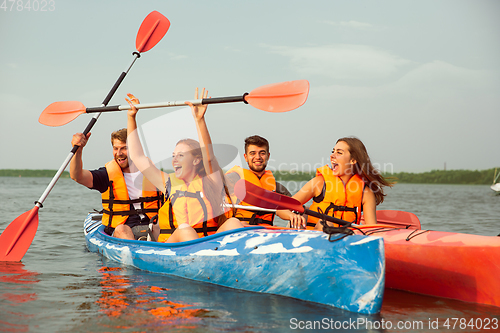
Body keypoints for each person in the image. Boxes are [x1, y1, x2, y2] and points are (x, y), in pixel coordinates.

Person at [126, 88, 244, 243]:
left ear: (196, 160)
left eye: (181, 156)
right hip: (176, 247)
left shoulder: (211, 182)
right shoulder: (168, 183)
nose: (174, 159)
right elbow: (137, 156)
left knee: (234, 222)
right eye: (173, 156)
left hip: (209, 245)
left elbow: (208, 157)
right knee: (185, 229)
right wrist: (131, 117)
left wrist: (199, 120)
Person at [277, 137, 393, 229]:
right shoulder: (319, 183)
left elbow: (371, 229)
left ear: (353, 160)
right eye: (333, 151)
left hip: (344, 243)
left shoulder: (365, 192)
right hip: (312, 240)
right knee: (325, 223)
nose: (332, 155)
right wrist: (292, 215)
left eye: (339, 152)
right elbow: (281, 210)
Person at [70, 129, 163, 240]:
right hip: (122, 230)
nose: (119, 153)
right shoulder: (106, 175)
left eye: (124, 148)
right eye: (115, 148)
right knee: (122, 230)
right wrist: (78, 150)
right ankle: (134, 253)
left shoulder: (153, 174)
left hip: (152, 227)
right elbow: (77, 176)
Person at [225, 135, 292, 226]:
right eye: (252, 153)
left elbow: (295, 206)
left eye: (262, 153)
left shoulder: (277, 188)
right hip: (239, 231)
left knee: (303, 216)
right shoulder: (232, 179)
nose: (258, 157)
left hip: (266, 232)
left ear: (268, 156)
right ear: (246, 157)